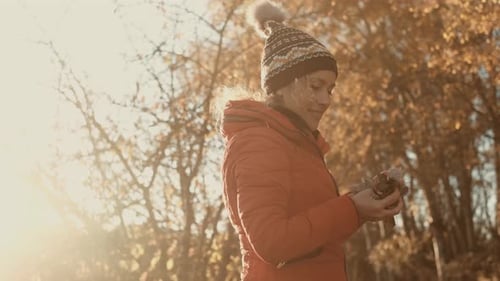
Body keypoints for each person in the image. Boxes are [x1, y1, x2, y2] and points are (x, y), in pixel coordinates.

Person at [219, 1, 405, 280]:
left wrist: (364, 201)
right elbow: (272, 242)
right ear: (282, 86)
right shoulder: (259, 141)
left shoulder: (296, 144)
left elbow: (312, 235)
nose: (326, 100)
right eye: (315, 86)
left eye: (330, 89)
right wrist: (352, 208)